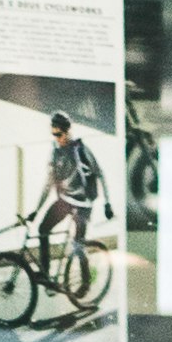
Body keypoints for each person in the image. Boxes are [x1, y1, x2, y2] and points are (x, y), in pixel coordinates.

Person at [38, 108, 109, 272]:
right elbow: (48, 184)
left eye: (59, 134)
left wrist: (108, 203)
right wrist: (36, 210)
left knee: (78, 245)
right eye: (53, 134)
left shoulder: (81, 149)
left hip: (84, 205)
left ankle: (85, 282)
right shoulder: (55, 153)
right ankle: (45, 273)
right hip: (66, 201)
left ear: (68, 131)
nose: (57, 138)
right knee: (43, 229)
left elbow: (100, 173)